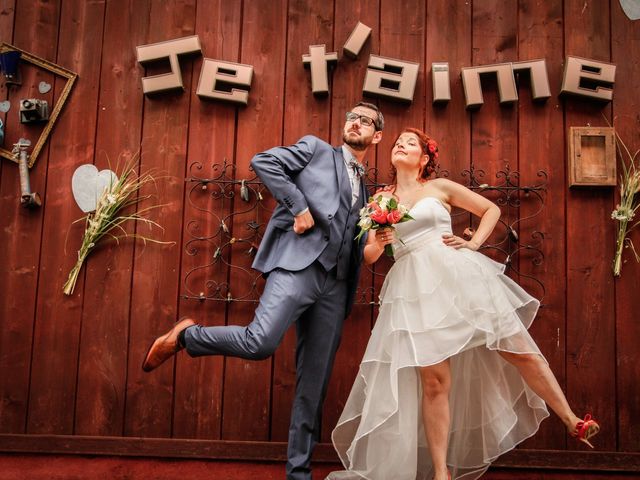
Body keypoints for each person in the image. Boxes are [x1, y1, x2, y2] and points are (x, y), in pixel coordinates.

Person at [327, 128, 599, 480]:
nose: (400, 145)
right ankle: (442, 472)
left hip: (456, 277)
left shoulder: (439, 188)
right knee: (435, 382)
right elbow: (368, 257)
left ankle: (572, 420)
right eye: (397, 142)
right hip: (413, 289)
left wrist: (473, 245)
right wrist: (380, 240)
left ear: (424, 159)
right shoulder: (381, 200)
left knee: (516, 347)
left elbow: (490, 209)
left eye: (410, 143)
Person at [142, 102, 384, 480]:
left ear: (377, 135)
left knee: (314, 385)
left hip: (337, 286)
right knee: (260, 342)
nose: (355, 123)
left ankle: (298, 475)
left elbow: (364, 246)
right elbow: (263, 161)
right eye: (351, 117)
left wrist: (377, 239)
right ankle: (187, 337)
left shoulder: (368, 190)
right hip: (298, 266)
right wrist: (299, 206)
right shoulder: (316, 150)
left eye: (365, 121)